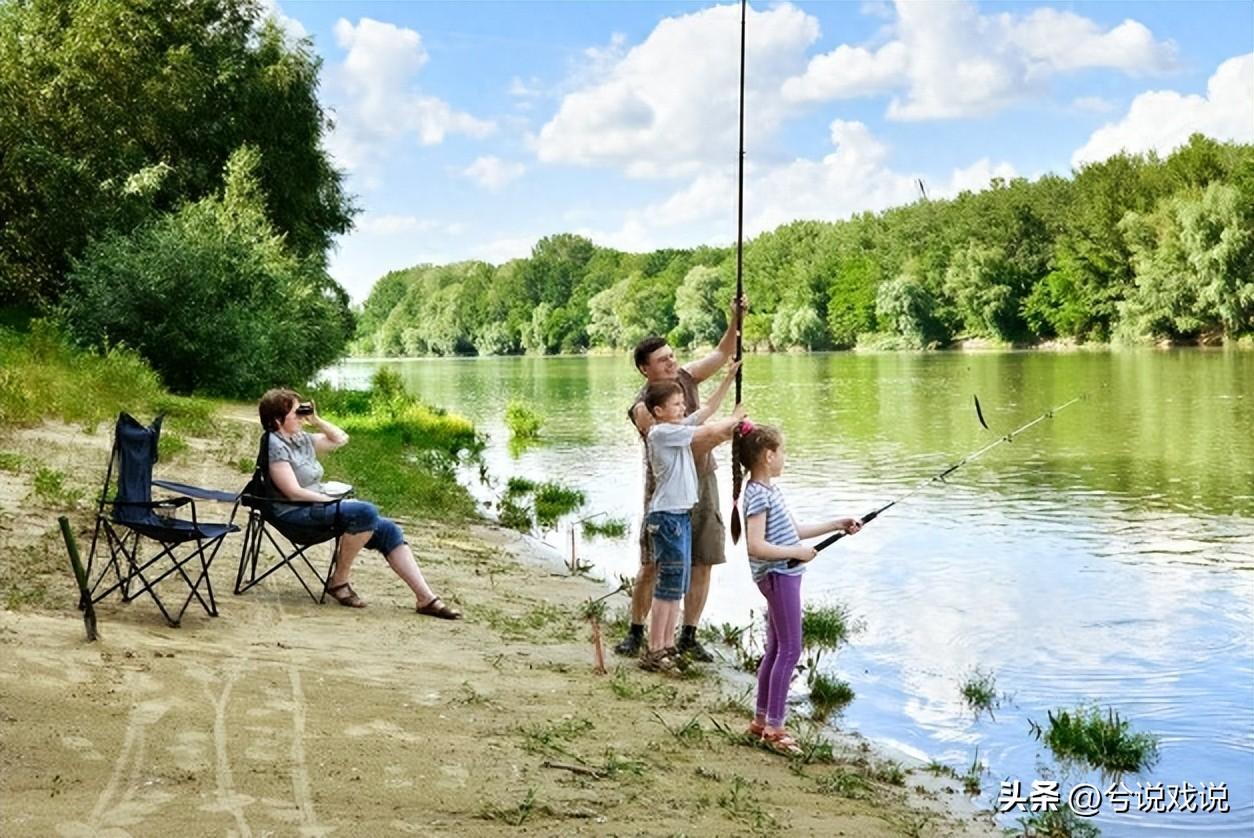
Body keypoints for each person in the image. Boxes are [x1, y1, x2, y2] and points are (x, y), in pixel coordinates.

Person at [615, 296, 748, 662]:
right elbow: (692, 438)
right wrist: (728, 428)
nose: (672, 362)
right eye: (663, 360)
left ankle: (688, 635)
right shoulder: (644, 407)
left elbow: (723, 353)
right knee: (652, 564)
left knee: (703, 558)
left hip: (702, 481)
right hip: (665, 491)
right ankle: (636, 632)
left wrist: (735, 318)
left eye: (673, 356)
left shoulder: (687, 377)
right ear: (645, 369)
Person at [257, 388, 461, 619]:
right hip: (295, 514)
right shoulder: (276, 444)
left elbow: (340, 439)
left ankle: (426, 599)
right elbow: (293, 493)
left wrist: (317, 420)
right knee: (365, 512)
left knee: (389, 529)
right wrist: (330, 502)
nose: (302, 416)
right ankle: (339, 581)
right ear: (277, 420)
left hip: (317, 507)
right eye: (297, 412)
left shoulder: (301, 439)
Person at [738, 421, 861, 753]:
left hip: (784, 576)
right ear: (768, 456)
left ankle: (761, 722)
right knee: (790, 649)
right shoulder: (758, 497)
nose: (784, 457)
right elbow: (755, 545)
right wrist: (795, 554)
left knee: (777, 650)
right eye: (783, 451)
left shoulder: (767, 491)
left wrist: (837, 524)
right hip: (779, 577)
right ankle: (776, 730)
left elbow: (795, 531)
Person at [638, 366, 745, 672]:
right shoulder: (661, 432)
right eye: (676, 404)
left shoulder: (676, 426)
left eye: (682, 403)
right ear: (658, 411)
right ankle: (655, 649)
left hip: (679, 517)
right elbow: (709, 431)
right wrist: (736, 419)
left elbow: (707, 411)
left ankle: (667, 645)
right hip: (667, 519)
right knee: (667, 588)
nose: (683, 407)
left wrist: (728, 378)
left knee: (677, 586)